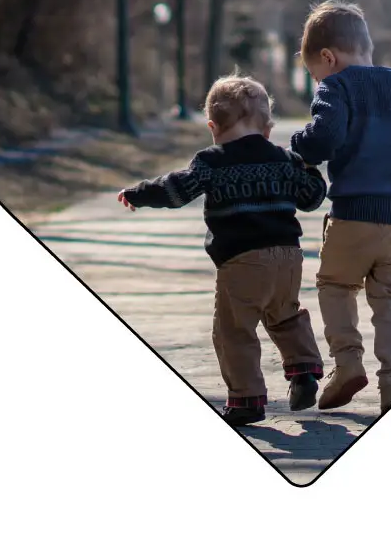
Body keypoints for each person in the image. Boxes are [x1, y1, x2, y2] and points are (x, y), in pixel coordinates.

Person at [118, 73, 328, 426]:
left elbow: (176, 190)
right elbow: (311, 198)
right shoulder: (284, 159)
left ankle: (246, 399)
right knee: (285, 315)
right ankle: (304, 370)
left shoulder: (211, 161)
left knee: (234, 330)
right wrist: (311, 169)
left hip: (242, 260)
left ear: (213, 127)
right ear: (267, 128)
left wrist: (139, 193)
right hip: (288, 258)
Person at [290, 0, 391, 415]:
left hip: (354, 217)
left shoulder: (337, 87)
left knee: (335, 285)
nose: (318, 80)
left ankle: (347, 363)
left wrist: (299, 144)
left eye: (315, 73)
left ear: (329, 58)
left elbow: (324, 138)